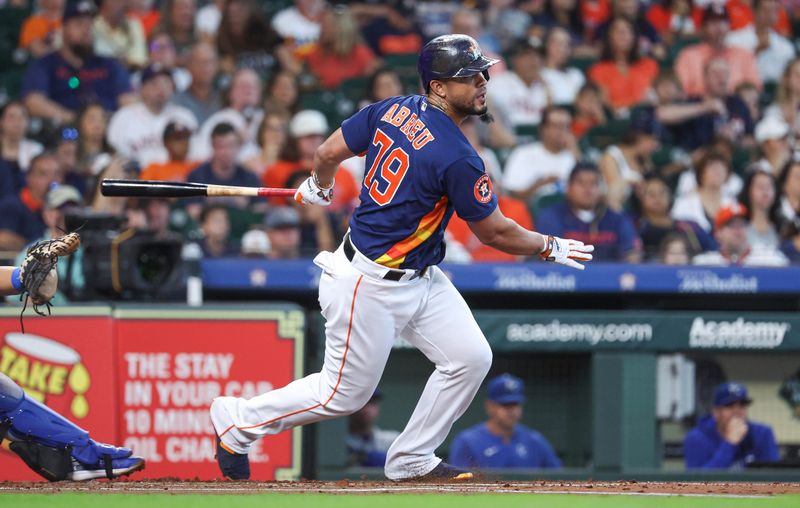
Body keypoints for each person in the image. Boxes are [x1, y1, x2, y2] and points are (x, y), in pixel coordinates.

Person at [209, 34, 593, 482]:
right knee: (343, 396)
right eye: (470, 76)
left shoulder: (394, 108)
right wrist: (549, 245)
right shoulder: (457, 156)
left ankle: (411, 457)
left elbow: (327, 153)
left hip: (421, 276)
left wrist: (319, 184)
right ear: (440, 87)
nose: (483, 81)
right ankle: (240, 419)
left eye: (482, 72)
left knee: (469, 358)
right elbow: (493, 232)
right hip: (368, 283)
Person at [21, 0, 135, 124]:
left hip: (107, 129)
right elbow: (33, 102)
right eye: (79, 24)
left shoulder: (109, 64)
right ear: (64, 28)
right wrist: (73, 119)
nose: (86, 30)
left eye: (89, 25)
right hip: (65, 131)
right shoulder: (46, 64)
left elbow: (128, 101)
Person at [449, 373, 561, 470]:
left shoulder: (535, 441)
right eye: (505, 405)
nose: (512, 411)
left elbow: (558, 479)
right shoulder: (468, 441)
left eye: (515, 405)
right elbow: (460, 486)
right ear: (489, 406)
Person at [537, 162, 642, 262]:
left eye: (593, 183)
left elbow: (632, 255)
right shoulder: (551, 217)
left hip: (610, 277)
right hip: (566, 278)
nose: (588, 189)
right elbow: (550, 257)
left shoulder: (617, 219)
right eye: (581, 183)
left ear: (601, 189)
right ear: (568, 188)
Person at [106, 64, 197, 168]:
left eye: (166, 83)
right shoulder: (123, 117)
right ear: (142, 88)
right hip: (138, 180)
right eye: (154, 84)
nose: (161, 89)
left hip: (179, 179)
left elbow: (196, 155)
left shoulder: (185, 116)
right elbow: (116, 156)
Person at [684, 381, 780, 469]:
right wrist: (729, 443)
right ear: (716, 413)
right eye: (729, 406)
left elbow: (774, 477)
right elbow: (698, 484)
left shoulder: (762, 434)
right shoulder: (696, 438)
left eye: (742, 405)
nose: (737, 411)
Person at [674, 4, 761, 97]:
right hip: (699, 105)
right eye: (713, 22)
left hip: (736, 106)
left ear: (729, 26)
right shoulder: (688, 55)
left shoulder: (744, 54)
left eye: (723, 22)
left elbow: (755, 87)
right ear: (703, 27)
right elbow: (680, 90)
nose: (718, 27)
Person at [184, 122, 264, 220]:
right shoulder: (197, 176)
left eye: (231, 146)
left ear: (238, 147)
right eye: (221, 146)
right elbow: (191, 211)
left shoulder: (249, 177)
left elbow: (261, 210)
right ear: (213, 147)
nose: (227, 152)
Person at [502, 106, 579, 203]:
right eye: (556, 126)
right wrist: (540, 184)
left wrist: (575, 153)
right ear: (543, 129)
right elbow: (513, 194)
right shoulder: (523, 153)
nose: (561, 132)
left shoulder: (572, 157)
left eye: (565, 126)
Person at [587, 16, 659, 114]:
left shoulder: (650, 65)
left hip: (649, 117)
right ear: (609, 37)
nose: (623, 34)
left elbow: (659, 98)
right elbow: (606, 105)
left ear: (635, 37)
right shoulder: (598, 69)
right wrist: (636, 105)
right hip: (617, 120)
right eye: (617, 31)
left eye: (628, 30)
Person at [692, 203, 789, 266]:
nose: (737, 230)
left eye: (742, 225)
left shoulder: (770, 259)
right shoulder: (704, 262)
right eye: (731, 225)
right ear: (718, 233)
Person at [725, 0, 795, 85]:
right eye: (766, 10)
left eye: (774, 10)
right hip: (743, 89)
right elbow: (731, 71)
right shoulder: (733, 40)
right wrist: (755, 52)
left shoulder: (786, 46)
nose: (770, 15)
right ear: (754, 11)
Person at [0, 153, 58, 251]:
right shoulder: (11, 205)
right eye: (43, 174)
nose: (52, 180)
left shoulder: (60, 208)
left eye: (56, 174)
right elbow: (3, 238)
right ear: (29, 177)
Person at [170, 42, 222, 125]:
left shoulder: (224, 99)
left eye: (210, 62)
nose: (205, 68)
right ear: (189, 66)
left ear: (216, 66)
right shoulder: (176, 101)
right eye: (199, 62)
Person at [346, 389, 401, 467]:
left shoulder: (392, 440)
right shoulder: (336, 442)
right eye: (362, 403)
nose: (367, 409)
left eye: (372, 403)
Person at [92, 0, 149, 69]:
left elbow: (139, 59)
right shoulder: (93, 25)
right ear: (104, 2)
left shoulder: (133, 23)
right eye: (118, 1)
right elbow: (98, 58)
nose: (123, 4)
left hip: (132, 74)